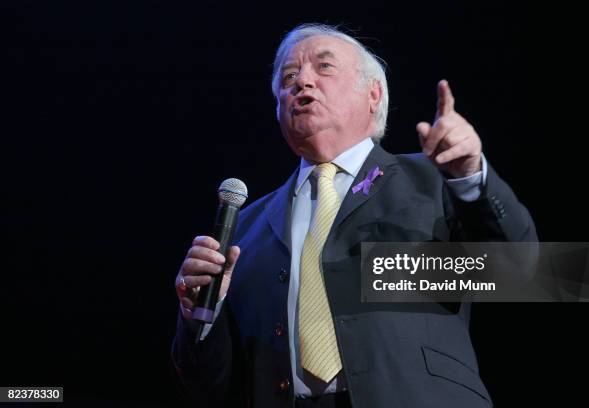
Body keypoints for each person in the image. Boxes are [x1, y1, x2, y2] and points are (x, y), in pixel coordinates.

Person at [171, 23, 537, 408]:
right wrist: (198, 316)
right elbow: (210, 387)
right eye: (289, 76)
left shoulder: (431, 181)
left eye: (323, 68)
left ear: (373, 95)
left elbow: (520, 269)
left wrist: (469, 177)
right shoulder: (247, 229)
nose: (302, 82)